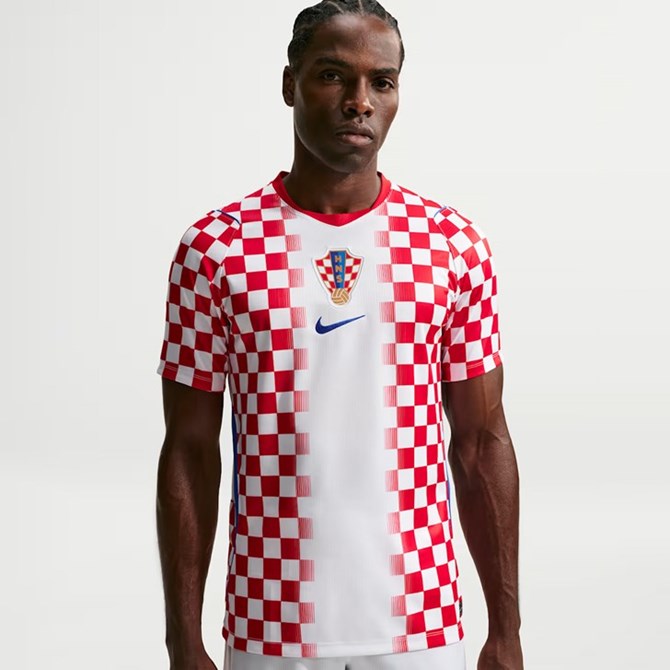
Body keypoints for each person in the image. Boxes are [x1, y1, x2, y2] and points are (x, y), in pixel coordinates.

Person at [155, 1, 523, 669]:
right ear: (289, 84)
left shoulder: (452, 246)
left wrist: (506, 630)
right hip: (271, 621)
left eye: (381, 82)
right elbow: (189, 450)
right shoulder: (216, 249)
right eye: (333, 75)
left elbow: (481, 443)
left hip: (421, 622)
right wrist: (183, 640)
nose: (360, 101)